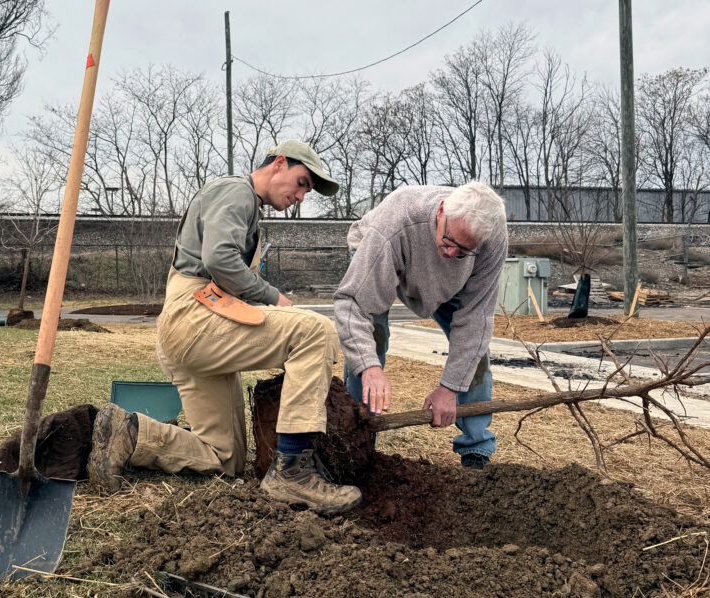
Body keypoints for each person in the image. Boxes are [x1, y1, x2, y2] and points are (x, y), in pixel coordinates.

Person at [88, 141, 362, 514]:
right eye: (300, 183)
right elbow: (219, 258)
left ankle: (131, 433)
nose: (299, 196)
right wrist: (272, 297)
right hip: (195, 318)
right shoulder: (238, 191)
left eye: (306, 191)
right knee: (314, 330)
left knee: (226, 458)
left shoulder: (242, 201)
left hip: (191, 328)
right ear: (278, 163)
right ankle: (293, 470)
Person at [334, 182, 508, 469]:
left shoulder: (492, 237)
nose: (452, 253)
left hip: (453, 285)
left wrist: (449, 389)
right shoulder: (398, 219)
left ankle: (476, 449)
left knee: (476, 355)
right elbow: (354, 306)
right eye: (449, 241)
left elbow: (476, 320)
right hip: (385, 253)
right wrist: (369, 367)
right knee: (371, 343)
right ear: (441, 212)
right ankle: (357, 437)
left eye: (464, 250)